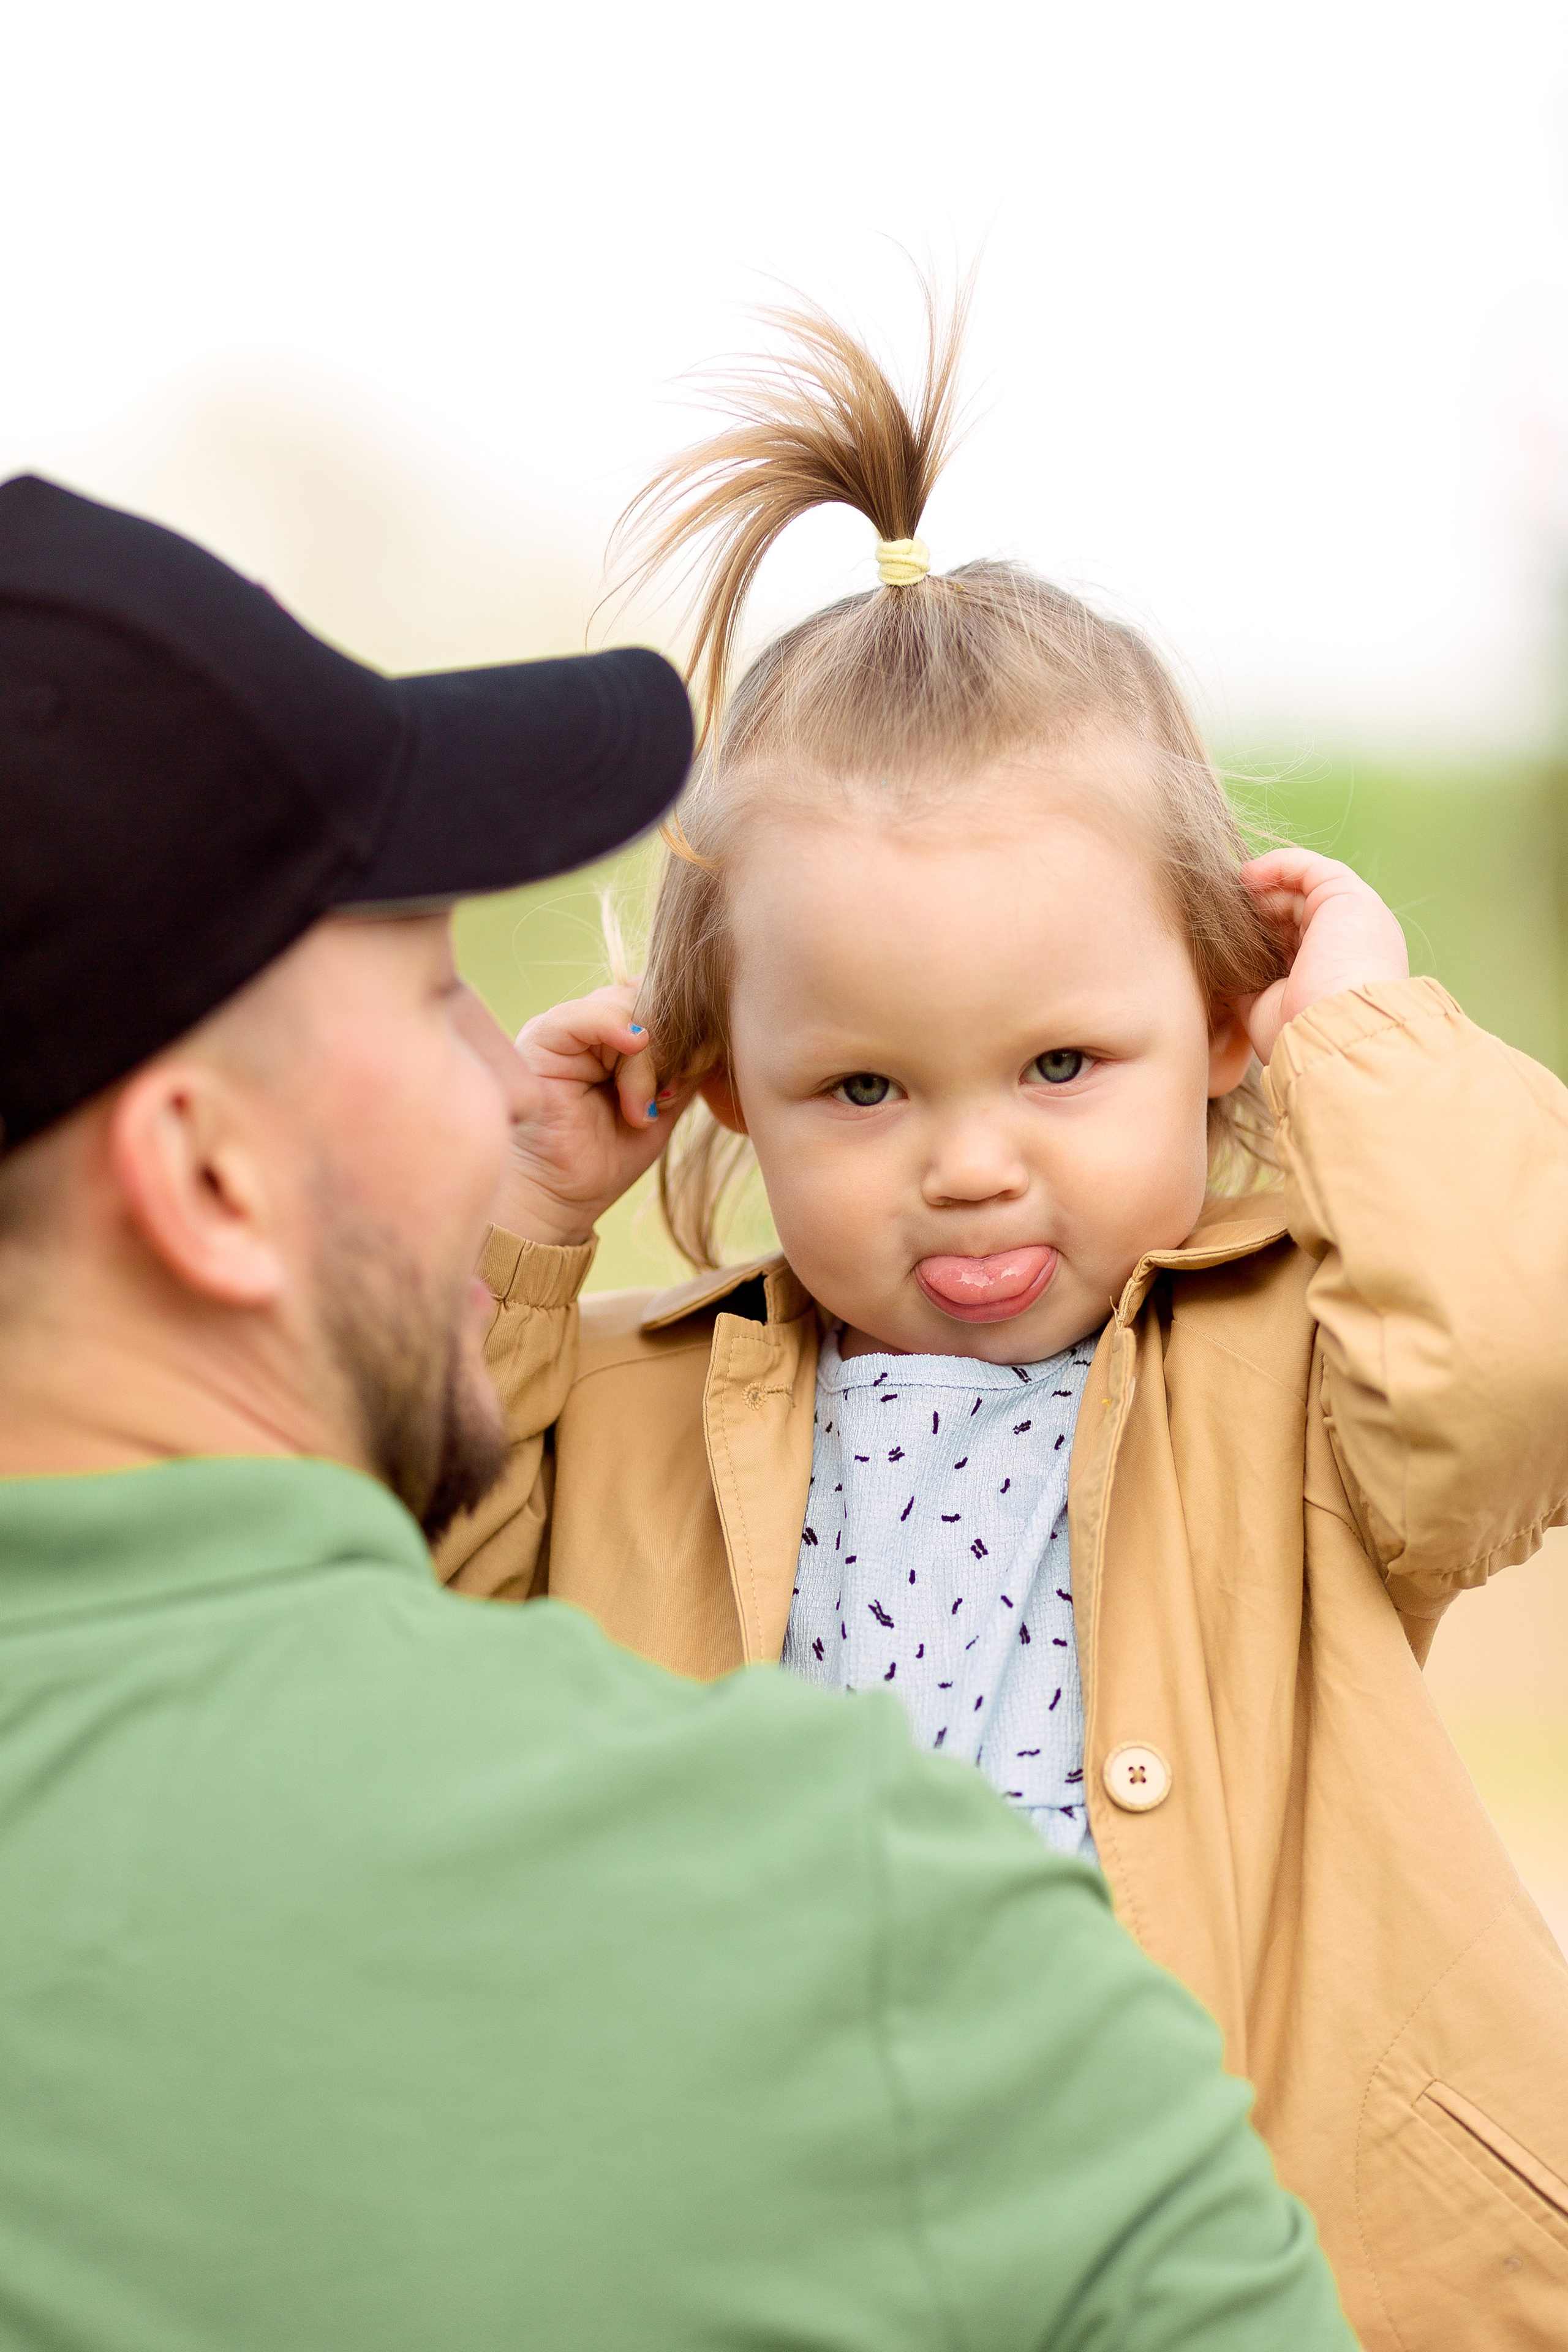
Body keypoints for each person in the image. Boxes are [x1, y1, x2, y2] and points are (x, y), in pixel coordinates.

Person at [0, 472, 1354, 2351]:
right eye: (428, 994)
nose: (507, 1079)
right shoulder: (886, 1943)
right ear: (207, 1176)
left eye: (1058, 1063)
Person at [435, 294, 1568, 2351]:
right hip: (774, 2264)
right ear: (716, 1091)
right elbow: (392, 1586)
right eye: (863, 1091)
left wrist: (1371, 1046)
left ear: (1227, 1025)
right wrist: (518, 1240)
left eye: (1062, 1065)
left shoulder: (1298, 1379)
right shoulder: (618, 1414)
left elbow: (1518, 1371)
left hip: (1257, 2254)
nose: (969, 1164)